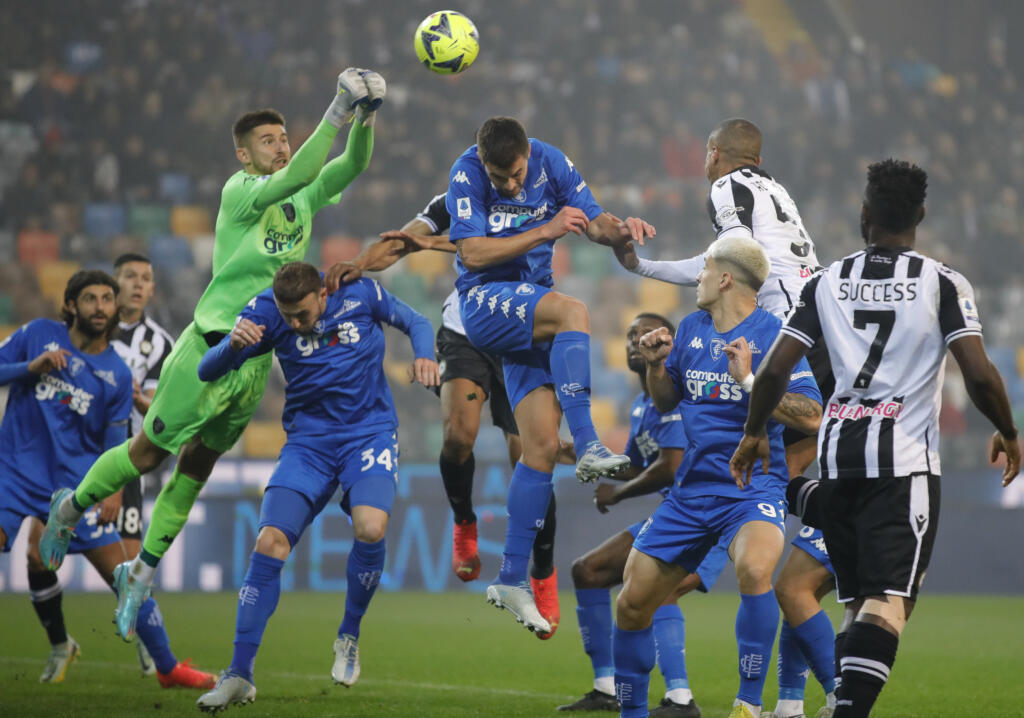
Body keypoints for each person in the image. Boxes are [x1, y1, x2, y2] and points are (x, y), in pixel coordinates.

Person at [40, 67, 386, 642]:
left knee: (196, 468)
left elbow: (350, 165)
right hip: (210, 346)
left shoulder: (301, 196)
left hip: (255, 365)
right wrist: (338, 108)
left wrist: (366, 118)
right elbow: (303, 168)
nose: (280, 147)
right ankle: (70, 508)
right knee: (149, 454)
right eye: (268, 141)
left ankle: (139, 577)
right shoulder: (241, 191)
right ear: (244, 156)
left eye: (283, 137)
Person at [731, 159, 1021, 718]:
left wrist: (751, 436)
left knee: (858, 601)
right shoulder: (942, 282)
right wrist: (1008, 431)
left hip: (837, 464)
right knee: (889, 604)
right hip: (903, 467)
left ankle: (836, 700)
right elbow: (980, 374)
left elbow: (770, 373)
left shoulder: (825, 281)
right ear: (920, 216)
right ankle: (848, 711)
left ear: (864, 214)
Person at [615, 117, 839, 712]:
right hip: (819, 336)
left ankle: (779, 695)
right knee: (784, 561)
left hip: (791, 342)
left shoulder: (724, 189)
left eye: (706, 155)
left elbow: (736, 257)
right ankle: (796, 697)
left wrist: (644, 266)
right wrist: (642, 268)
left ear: (715, 154)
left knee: (776, 561)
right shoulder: (777, 193)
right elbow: (731, 261)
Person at [193, 262, 437, 710]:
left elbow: (417, 321)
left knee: (370, 528)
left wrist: (424, 354)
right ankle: (239, 675)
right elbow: (207, 372)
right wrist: (231, 346)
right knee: (268, 543)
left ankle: (349, 633)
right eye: (288, 317)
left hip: (369, 433)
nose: (294, 325)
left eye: (302, 315)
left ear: (322, 295)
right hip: (308, 443)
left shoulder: (360, 293)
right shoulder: (267, 312)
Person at [446, 116, 655, 633]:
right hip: (484, 302)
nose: (511, 184)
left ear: (526, 156)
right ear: (484, 161)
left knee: (538, 449)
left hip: (528, 311)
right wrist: (544, 228)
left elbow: (593, 220)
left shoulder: (550, 159)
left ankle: (512, 577)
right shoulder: (466, 173)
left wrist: (621, 232)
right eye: (502, 178)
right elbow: (470, 252)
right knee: (574, 311)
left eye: (516, 174)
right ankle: (588, 443)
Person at [336, 192, 570, 638]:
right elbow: (405, 239)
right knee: (458, 437)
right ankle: (465, 521)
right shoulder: (458, 197)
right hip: (466, 330)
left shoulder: (541, 194)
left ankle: (542, 570)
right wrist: (360, 263)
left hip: (524, 331)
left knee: (532, 455)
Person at [0, 270, 214, 689]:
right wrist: (31, 367)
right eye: (90, 299)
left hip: (74, 489)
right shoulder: (38, 334)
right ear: (71, 305)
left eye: (106, 299)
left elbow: (117, 441)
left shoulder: (115, 374)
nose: (100, 307)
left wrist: (114, 489)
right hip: (14, 473)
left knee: (125, 578)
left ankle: (168, 668)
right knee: (33, 559)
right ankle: (61, 644)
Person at [559, 312, 729, 717]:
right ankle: (606, 687)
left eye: (644, 332)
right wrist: (578, 454)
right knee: (589, 571)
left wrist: (617, 495)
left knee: (658, 591)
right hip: (677, 515)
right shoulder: (642, 405)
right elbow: (636, 465)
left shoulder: (678, 395)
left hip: (708, 516)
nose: (634, 339)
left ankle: (680, 699)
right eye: (630, 333)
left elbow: (669, 467)